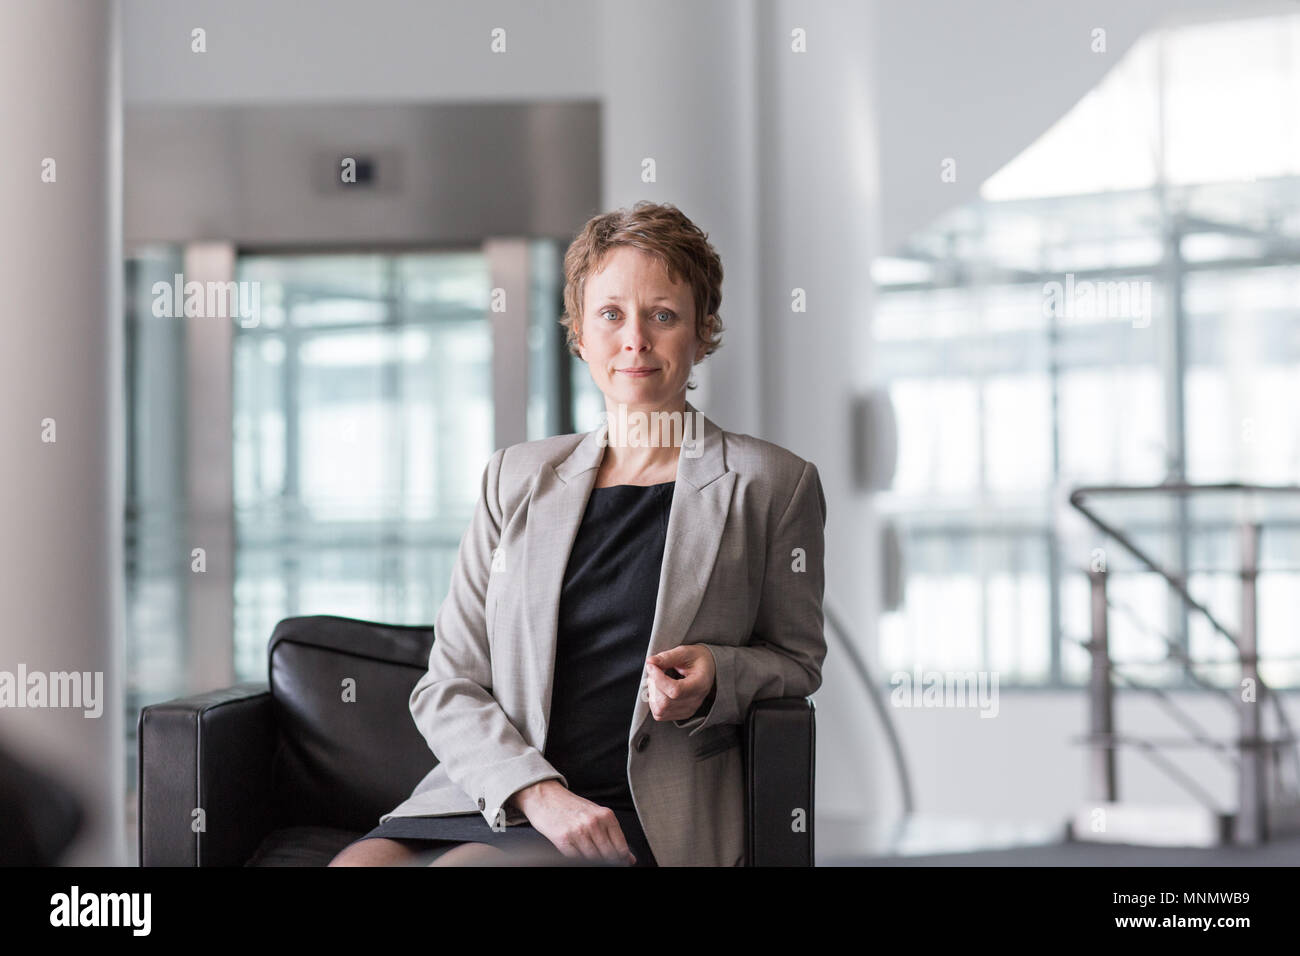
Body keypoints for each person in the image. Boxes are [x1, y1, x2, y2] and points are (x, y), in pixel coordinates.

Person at [329, 201, 826, 867]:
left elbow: (797, 661)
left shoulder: (772, 484)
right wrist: (535, 790)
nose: (636, 339)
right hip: (498, 792)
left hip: (641, 809)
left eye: (664, 315)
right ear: (580, 334)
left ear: (703, 332)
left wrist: (718, 674)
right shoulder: (516, 477)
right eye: (611, 314)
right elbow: (447, 682)